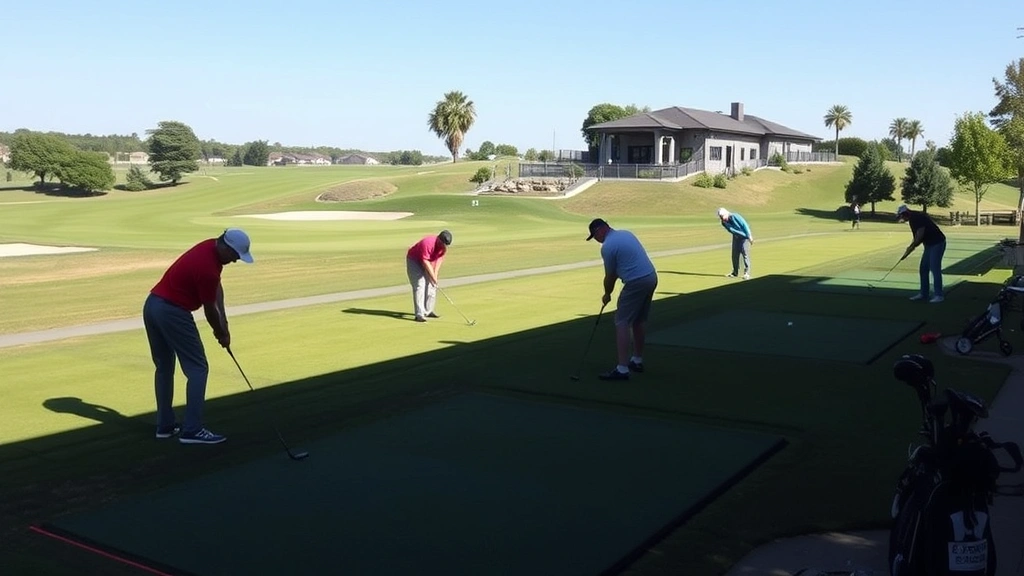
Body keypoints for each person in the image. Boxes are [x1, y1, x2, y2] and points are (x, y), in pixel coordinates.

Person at [143, 228, 254, 445]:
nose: (235, 260)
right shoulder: (207, 269)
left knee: (164, 367)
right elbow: (210, 309)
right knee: (198, 368)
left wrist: (225, 324)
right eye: (235, 255)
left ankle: (165, 426)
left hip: (152, 305)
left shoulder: (209, 247)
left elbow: (216, 289)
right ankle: (192, 430)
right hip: (172, 312)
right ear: (226, 247)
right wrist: (220, 333)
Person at [586, 218, 658, 381]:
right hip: (651, 277)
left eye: (594, 236)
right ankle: (637, 360)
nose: (596, 240)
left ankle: (622, 369)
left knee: (621, 321)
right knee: (638, 320)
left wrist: (607, 294)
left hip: (636, 282)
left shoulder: (608, 246)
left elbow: (610, 276)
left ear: (599, 230)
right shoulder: (625, 233)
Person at [897, 204, 947, 303]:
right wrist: (910, 248)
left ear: (905, 213)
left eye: (901, 216)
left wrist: (910, 249)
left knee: (934, 268)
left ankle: (939, 295)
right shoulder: (912, 219)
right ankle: (924, 294)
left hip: (937, 243)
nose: (902, 219)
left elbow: (920, 236)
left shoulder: (917, 217)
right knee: (923, 269)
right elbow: (916, 237)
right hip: (928, 244)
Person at [406, 230, 452, 322]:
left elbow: (439, 260)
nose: (445, 247)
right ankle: (419, 314)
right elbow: (425, 261)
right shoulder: (428, 243)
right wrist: (432, 276)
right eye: (443, 244)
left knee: (432, 284)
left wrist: (435, 275)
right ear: (439, 240)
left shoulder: (443, 248)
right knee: (420, 284)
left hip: (428, 261)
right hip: (414, 260)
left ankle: (428, 311)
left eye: (446, 245)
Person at [717, 207, 753, 279]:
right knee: (734, 255)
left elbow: (744, 225)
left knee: (745, 254)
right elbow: (731, 230)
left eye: (723, 216)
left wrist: (749, 236)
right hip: (736, 237)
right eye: (721, 217)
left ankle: (747, 273)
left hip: (745, 237)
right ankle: (735, 272)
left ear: (726, 213)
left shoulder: (735, 216)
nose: (722, 218)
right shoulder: (723, 222)